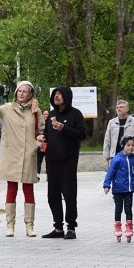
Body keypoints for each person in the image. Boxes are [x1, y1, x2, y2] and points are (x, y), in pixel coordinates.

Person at [0, 82, 44, 238]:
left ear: (31, 94)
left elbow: (42, 131)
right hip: (11, 154)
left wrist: (35, 145)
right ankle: (10, 225)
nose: (21, 94)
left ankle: (30, 226)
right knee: (11, 189)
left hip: (28, 155)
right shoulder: (7, 108)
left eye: (25, 91)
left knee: (28, 190)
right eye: (19, 91)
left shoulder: (35, 111)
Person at [40, 86, 87, 240]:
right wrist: (43, 138)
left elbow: (81, 134)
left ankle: (71, 227)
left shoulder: (75, 114)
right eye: (55, 94)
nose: (57, 96)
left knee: (69, 194)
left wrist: (64, 128)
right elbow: (47, 133)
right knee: (52, 196)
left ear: (66, 96)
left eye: (60, 94)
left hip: (68, 161)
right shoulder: (52, 114)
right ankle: (58, 227)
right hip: (52, 161)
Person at [102, 100, 134, 164]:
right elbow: (107, 140)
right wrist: (107, 156)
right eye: (117, 107)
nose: (119, 109)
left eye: (121, 107)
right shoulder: (111, 122)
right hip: (115, 156)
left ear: (127, 109)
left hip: (130, 155)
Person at [36, 110, 48, 176]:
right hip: (41, 144)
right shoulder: (40, 123)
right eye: (45, 114)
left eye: (47, 114)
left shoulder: (51, 123)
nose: (46, 115)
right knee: (39, 160)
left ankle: (48, 175)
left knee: (48, 160)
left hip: (48, 144)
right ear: (42, 115)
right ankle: (37, 174)